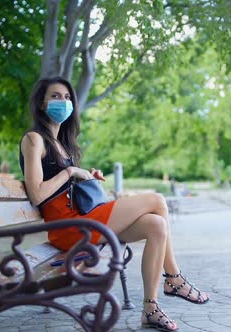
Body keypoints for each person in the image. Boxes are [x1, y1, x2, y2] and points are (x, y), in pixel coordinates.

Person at [19, 77, 208, 332]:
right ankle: (173, 278)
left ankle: (151, 309)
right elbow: (36, 195)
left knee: (156, 225)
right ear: (41, 104)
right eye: (55, 96)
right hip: (68, 229)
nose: (62, 102)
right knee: (157, 200)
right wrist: (70, 172)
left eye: (67, 97)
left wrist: (85, 176)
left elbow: (64, 186)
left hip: (81, 220)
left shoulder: (63, 145)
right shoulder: (34, 140)